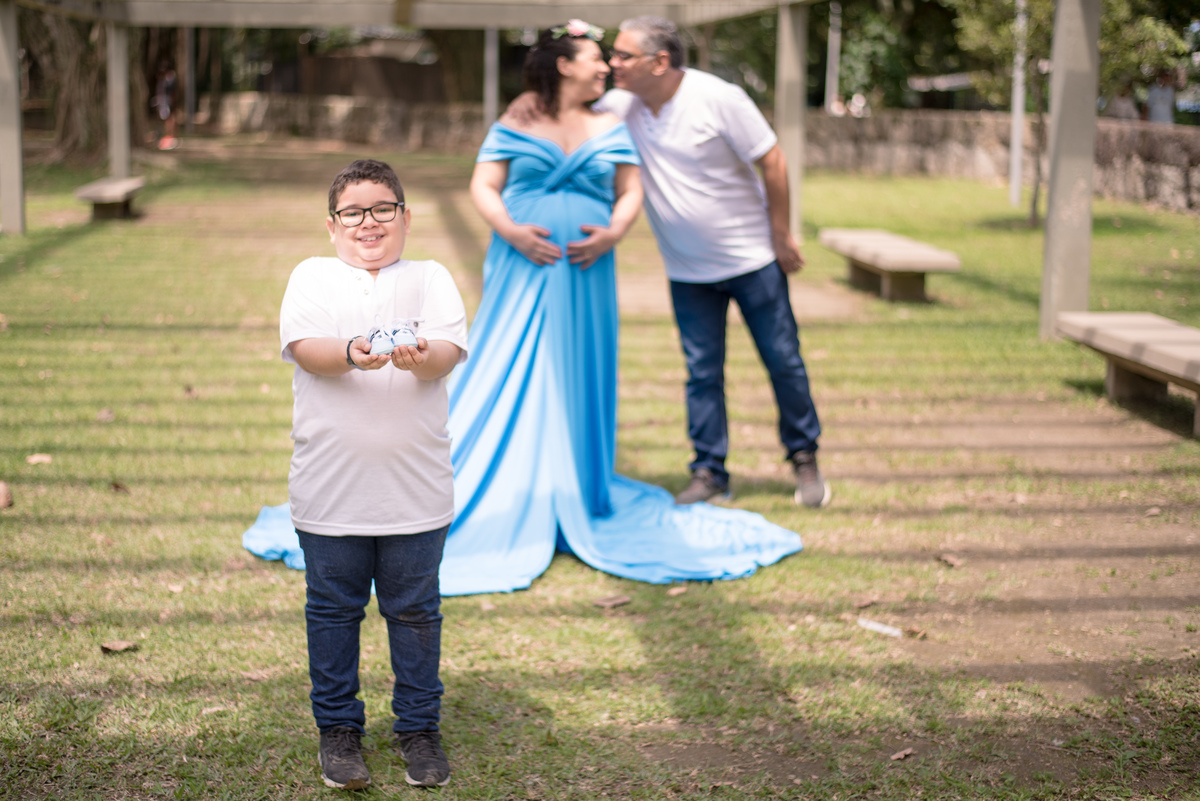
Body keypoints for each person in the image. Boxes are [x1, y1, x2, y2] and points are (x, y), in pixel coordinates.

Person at [440, 20, 802, 595]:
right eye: (595, 56)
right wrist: (511, 231)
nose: (608, 65)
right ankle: (504, 482)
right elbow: (483, 184)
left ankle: (579, 483)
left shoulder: (615, 115)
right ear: (564, 64)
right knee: (509, 359)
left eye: (618, 56)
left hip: (588, 271)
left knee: (580, 366)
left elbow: (631, 189)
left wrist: (611, 234)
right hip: (522, 263)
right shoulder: (524, 112)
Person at [278, 159, 467, 789]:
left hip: (417, 492)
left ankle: (419, 729)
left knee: (415, 613)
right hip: (329, 492)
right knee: (333, 612)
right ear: (332, 226)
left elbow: (442, 355)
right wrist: (357, 354)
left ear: (406, 217)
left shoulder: (431, 277)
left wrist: (415, 360)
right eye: (353, 212)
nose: (369, 222)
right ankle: (338, 731)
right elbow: (309, 350)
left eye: (383, 209)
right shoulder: (311, 276)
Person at [591, 16, 830, 508]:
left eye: (622, 55)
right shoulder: (621, 105)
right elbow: (558, 104)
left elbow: (773, 160)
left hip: (753, 262)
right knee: (701, 373)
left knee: (783, 362)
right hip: (687, 272)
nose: (612, 63)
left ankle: (805, 460)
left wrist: (781, 234)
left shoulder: (719, 97)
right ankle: (709, 472)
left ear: (660, 62)